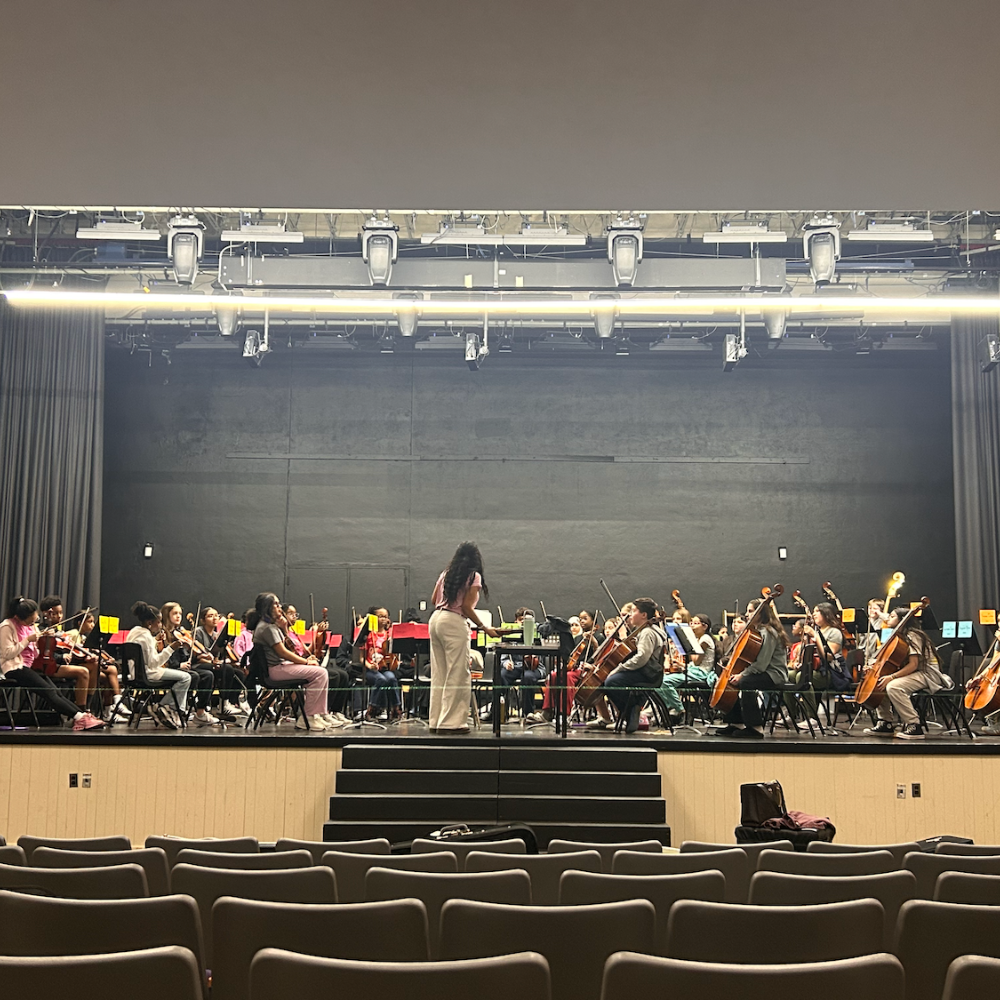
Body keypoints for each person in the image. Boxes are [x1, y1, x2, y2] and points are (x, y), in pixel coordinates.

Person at [0, 597, 105, 730]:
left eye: (34, 620)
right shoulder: (6, 626)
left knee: (55, 691)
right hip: (14, 668)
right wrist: (27, 640)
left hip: (31, 665)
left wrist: (44, 637)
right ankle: (79, 717)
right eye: (30, 621)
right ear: (19, 618)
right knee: (48, 692)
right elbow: (7, 654)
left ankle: (82, 715)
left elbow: (38, 650)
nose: (32, 623)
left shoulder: (30, 626)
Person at [428, 542, 499, 733]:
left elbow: (434, 600)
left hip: (435, 620)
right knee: (457, 672)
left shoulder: (446, 573)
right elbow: (467, 607)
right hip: (454, 622)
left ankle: (435, 721)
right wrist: (485, 627)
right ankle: (451, 723)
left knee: (439, 673)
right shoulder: (473, 576)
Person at [864, 606, 951, 740]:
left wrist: (892, 677)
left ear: (902, 620)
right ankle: (885, 722)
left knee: (893, 686)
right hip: (915, 672)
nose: (888, 618)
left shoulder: (913, 635)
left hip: (927, 673)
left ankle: (914, 725)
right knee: (879, 681)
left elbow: (913, 665)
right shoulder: (896, 635)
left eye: (892, 616)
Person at [249, 592, 331, 731]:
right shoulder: (267, 628)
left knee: (320, 672)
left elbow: (290, 646)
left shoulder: (272, 626)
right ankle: (308, 716)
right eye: (275, 604)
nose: (279, 607)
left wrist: (284, 629)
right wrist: (305, 663)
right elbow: (283, 652)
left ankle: (316, 715)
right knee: (320, 673)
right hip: (275, 670)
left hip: (280, 667)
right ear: (267, 607)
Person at [714, 597, 789, 740]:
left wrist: (742, 675)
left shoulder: (769, 633)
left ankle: (755, 727)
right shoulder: (758, 631)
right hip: (764, 671)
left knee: (746, 682)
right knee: (732, 680)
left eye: (750, 611)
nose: (747, 615)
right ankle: (736, 722)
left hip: (774, 674)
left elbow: (761, 664)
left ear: (760, 613)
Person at [598, 597, 666, 734]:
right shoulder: (649, 630)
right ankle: (630, 711)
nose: (630, 614)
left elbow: (642, 658)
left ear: (644, 615)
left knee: (611, 681)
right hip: (650, 673)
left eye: (634, 611)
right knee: (611, 680)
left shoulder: (647, 632)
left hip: (648, 675)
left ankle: (631, 710)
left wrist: (619, 668)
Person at [125, 601, 192, 730]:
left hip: (135, 674)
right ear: (150, 623)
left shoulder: (135, 631)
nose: (161, 625)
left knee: (181, 679)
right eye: (159, 622)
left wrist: (155, 641)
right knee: (186, 678)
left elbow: (144, 653)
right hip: (148, 674)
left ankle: (172, 711)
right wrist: (171, 648)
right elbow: (154, 663)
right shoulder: (146, 637)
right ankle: (166, 707)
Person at [281, 603, 351, 724]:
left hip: (302, 663)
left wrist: (317, 635)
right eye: (291, 614)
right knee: (333, 675)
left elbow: (306, 651)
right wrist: (307, 661)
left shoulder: (293, 633)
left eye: (295, 614)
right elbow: (288, 655)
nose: (294, 617)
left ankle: (336, 711)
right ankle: (323, 711)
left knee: (343, 675)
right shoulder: (282, 634)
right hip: (294, 666)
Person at [527, 610, 597, 724]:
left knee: (567, 677)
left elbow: (600, 655)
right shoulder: (578, 639)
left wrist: (594, 642)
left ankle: (564, 715)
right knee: (555, 675)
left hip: (588, 671)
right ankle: (547, 712)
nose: (582, 621)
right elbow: (572, 656)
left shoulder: (599, 637)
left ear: (594, 622)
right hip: (575, 669)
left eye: (585, 618)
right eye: (580, 618)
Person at [64, 609, 130, 723]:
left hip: (87, 665)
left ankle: (109, 710)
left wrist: (106, 657)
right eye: (90, 621)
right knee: (109, 671)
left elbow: (91, 651)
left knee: (111, 674)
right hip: (79, 665)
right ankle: (112, 705)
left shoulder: (84, 637)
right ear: (80, 623)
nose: (92, 625)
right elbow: (75, 652)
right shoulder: (74, 633)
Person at [653, 612, 720, 724]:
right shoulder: (699, 639)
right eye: (692, 622)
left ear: (704, 626)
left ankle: (680, 710)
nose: (692, 625)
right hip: (694, 671)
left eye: (695, 623)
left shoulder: (705, 639)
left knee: (665, 682)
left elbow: (697, 661)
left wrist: (689, 643)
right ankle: (671, 708)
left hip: (701, 673)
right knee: (658, 682)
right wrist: (681, 666)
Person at [37, 595, 99, 713]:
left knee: (94, 665)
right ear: (46, 614)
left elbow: (67, 650)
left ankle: (88, 706)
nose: (59, 616)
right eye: (55, 613)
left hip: (59, 665)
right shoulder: (41, 631)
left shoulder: (60, 632)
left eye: (61, 613)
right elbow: (43, 654)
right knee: (83, 672)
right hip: (49, 667)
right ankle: (80, 711)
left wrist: (86, 657)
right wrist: (61, 656)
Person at [160, 603, 218, 727]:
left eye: (180, 614)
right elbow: (164, 657)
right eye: (174, 613)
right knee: (195, 676)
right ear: (166, 615)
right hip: (169, 668)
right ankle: (176, 708)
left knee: (208, 675)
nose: (178, 616)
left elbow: (184, 655)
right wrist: (179, 665)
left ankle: (200, 712)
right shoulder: (163, 634)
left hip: (181, 667)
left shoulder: (179, 632)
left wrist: (198, 657)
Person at [193, 606, 251, 718]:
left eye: (216, 615)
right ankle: (223, 703)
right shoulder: (198, 632)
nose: (215, 618)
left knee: (238, 673)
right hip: (199, 664)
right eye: (210, 616)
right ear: (203, 620)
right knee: (227, 669)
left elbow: (220, 655)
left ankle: (231, 702)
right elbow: (197, 655)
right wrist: (211, 660)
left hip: (212, 664)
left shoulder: (216, 635)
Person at [499, 607, 547, 719]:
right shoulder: (511, 634)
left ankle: (528, 713)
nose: (524, 622)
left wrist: (535, 656)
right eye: (521, 619)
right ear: (516, 621)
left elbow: (543, 656)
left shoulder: (537, 633)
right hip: (516, 666)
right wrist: (506, 663)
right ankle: (498, 711)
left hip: (534, 668)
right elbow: (504, 657)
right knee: (502, 675)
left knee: (528, 677)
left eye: (527, 620)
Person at [363, 606, 403, 722]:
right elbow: (361, 658)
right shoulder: (368, 635)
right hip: (370, 669)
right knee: (381, 680)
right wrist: (369, 665)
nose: (384, 619)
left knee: (391, 679)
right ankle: (372, 709)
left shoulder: (388, 635)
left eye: (386, 616)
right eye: (380, 616)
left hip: (384, 668)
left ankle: (395, 709)